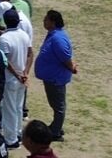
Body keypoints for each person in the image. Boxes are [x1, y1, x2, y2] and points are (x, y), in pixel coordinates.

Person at [34, 10, 76, 142]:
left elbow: (65, 56)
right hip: (52, 77)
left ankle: (56, 132)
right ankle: (56, 126)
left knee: (59, 106)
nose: (44, 21)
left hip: (56, 78)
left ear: (53, 22)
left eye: (46, 19)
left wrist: (71, 67)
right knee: (55, 104)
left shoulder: (58, 38)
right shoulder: (53, 34)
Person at [0, 9, 34, 148]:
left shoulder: (4, 38)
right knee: (18, 107)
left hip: (11, 79)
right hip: (22, 78)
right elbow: (30, 54)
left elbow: (5, 61)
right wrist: (25, 72)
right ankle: (18, 133)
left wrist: (18, 74)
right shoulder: (24, 35)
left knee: (10, 109)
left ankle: (11, 139)